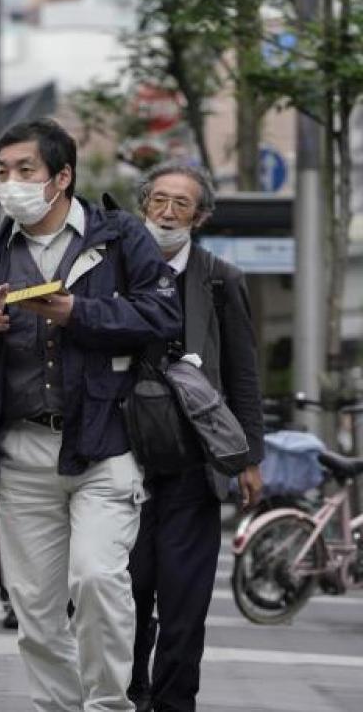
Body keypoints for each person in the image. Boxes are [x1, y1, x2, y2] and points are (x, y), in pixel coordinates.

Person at [0, 118, 181, 712]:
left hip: (106, 442)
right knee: (35, 610)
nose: (10, 183)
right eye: (1, 172)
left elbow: (163, 318)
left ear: (62, 177)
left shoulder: (120, 238)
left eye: (25, 171)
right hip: (21, 452)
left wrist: (78, 313)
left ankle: (106, 706)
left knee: (97, 578)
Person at [128, 162, 265, 712]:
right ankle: (127, 690)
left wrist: (250, 458)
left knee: (184, 599)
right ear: (143, 206)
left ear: (200, 215)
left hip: (193, 465)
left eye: (180, 204)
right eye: (158, 200)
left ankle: (174, 702)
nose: (166, 213)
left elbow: (243, 373)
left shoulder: (218, 278)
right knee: (128, 590)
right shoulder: (115, 271)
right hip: (126, 458)